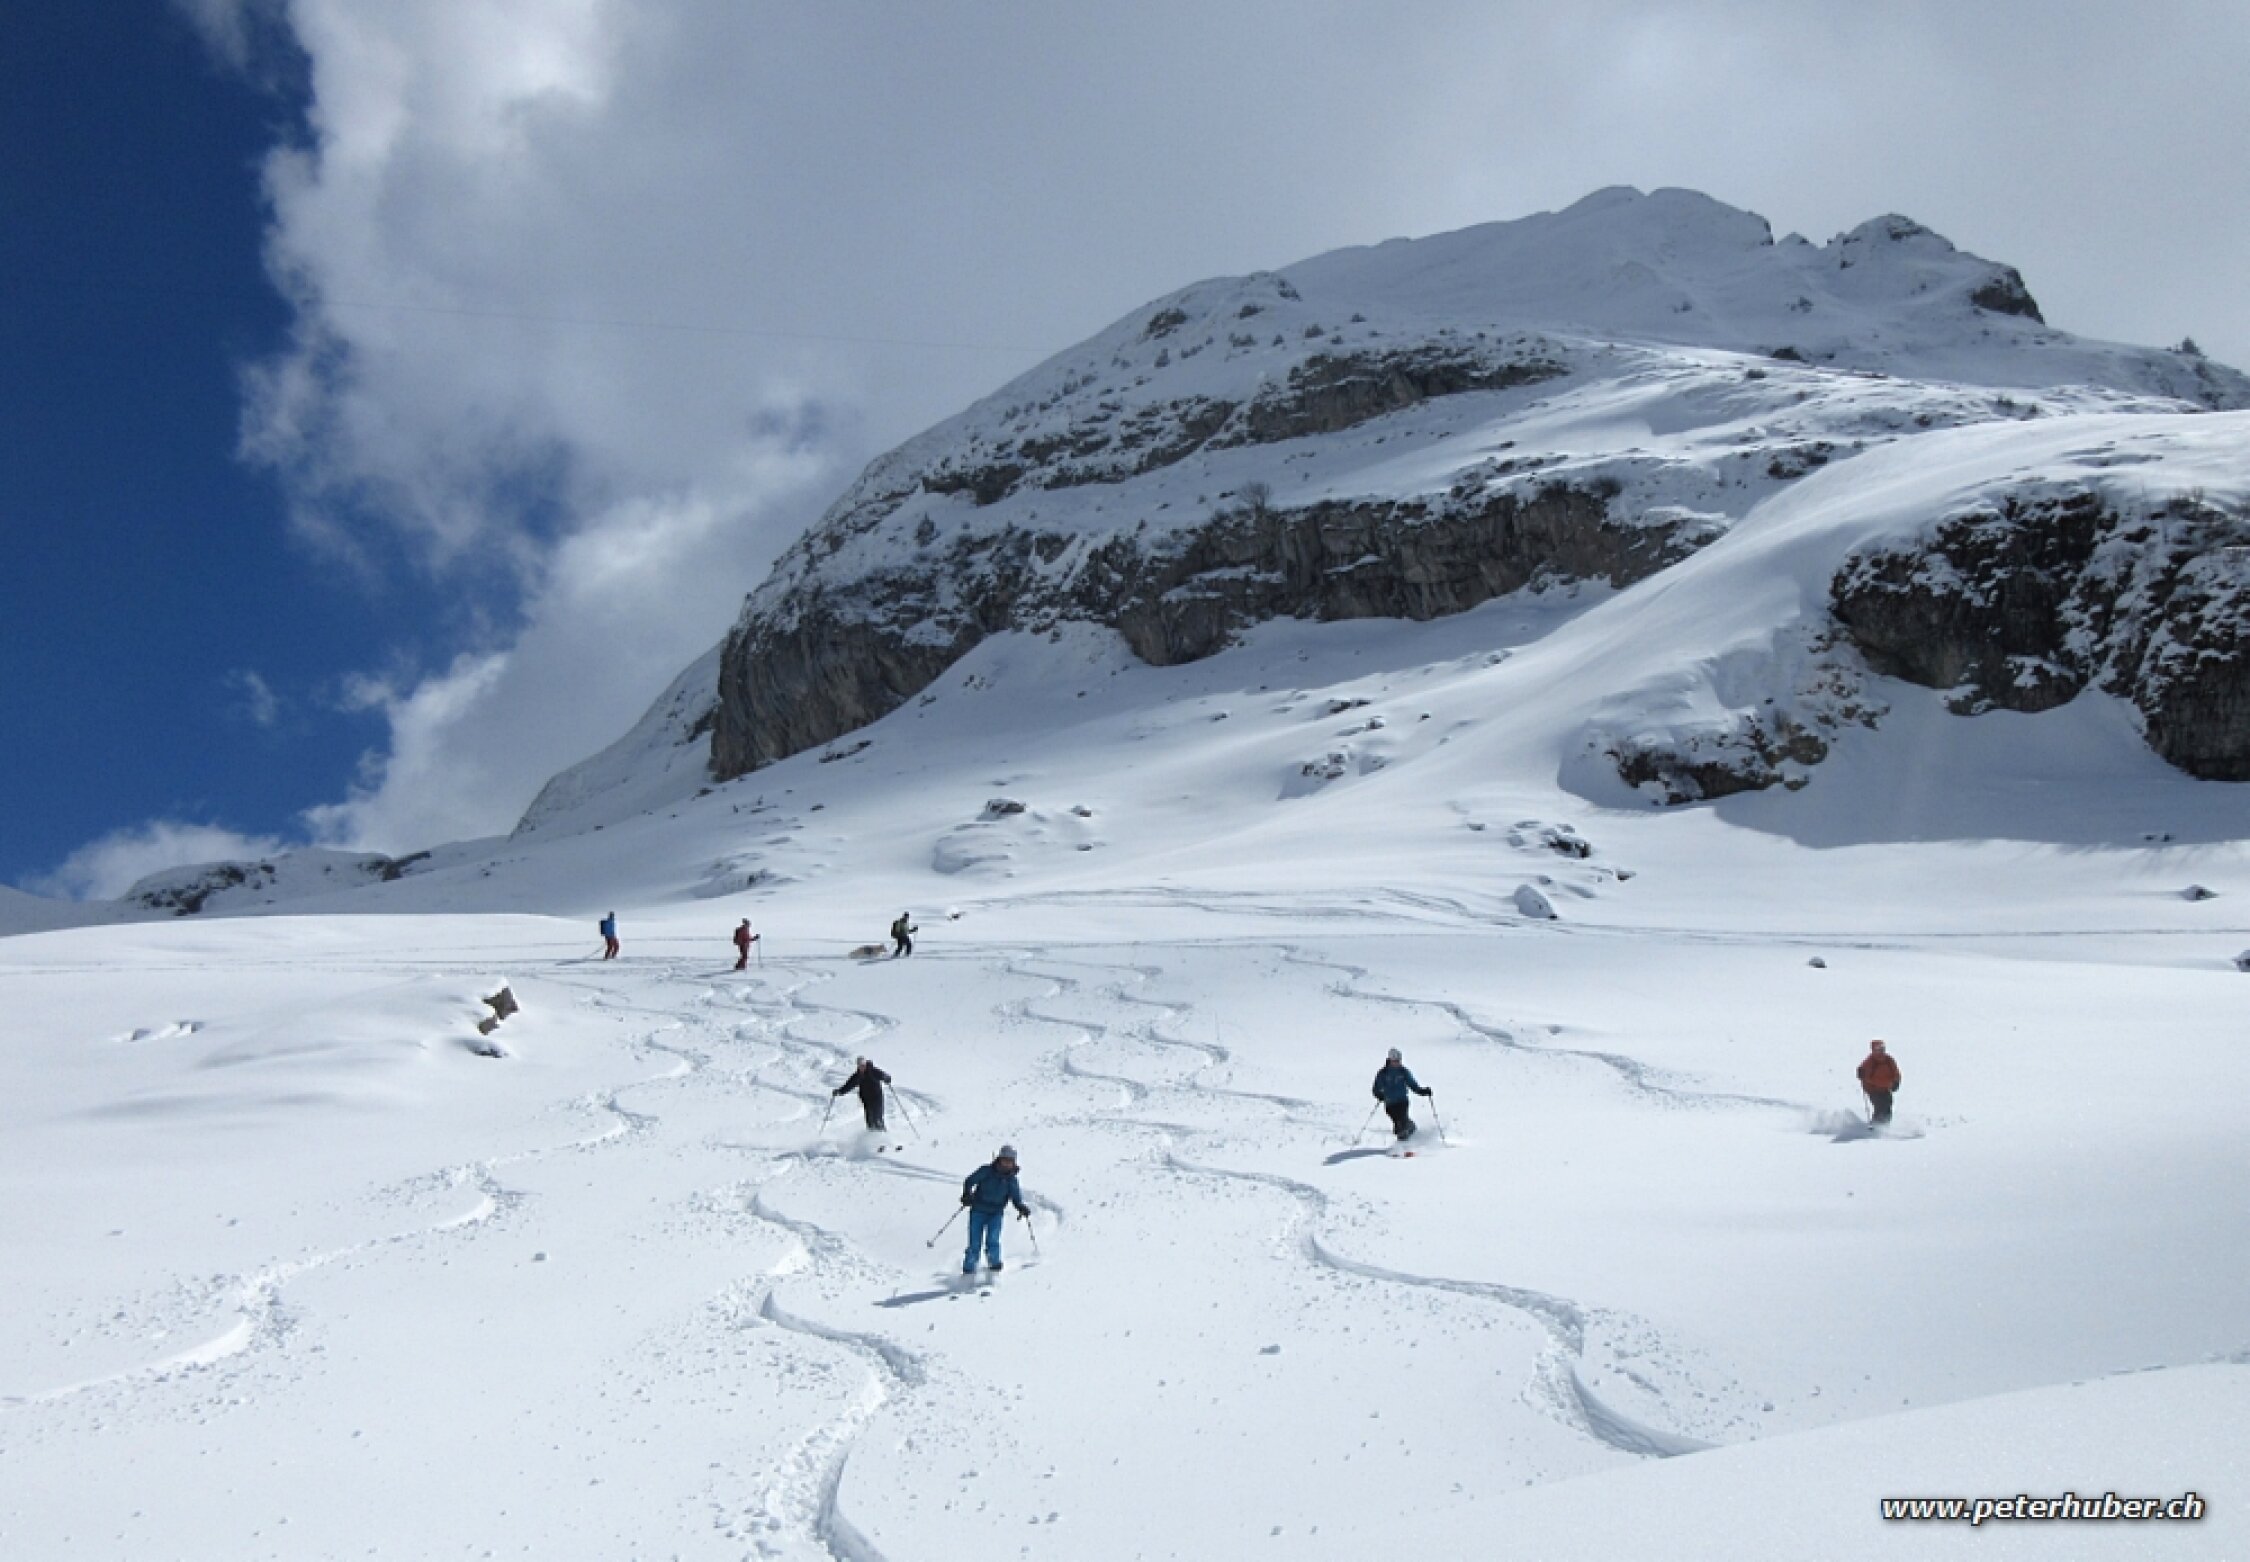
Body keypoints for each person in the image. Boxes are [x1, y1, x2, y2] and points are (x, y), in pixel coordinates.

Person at [960, 1145, 1029, 1274]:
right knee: (974, 1242)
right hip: (978, 1211)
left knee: (993, 1240)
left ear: (1014, 1163)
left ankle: (994, 1266)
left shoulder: (1011, 1180)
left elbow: (1016, 1198)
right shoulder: (986, 1171)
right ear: (999, 1159)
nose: (1006, 1164)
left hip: (996, 1214)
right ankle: (969, 1269)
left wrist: (1021, 1207)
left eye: (1010, 1161)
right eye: (1004, 1160)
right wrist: (966, 1194)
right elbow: (969, 1181)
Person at [1371, 1047, 1433, 1141]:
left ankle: (1406, 1139)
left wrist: (1422, 1091)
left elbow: (1412, 1084)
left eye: (1399, 1061)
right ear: (1390, 1060)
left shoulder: (1403, 1071)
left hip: (1402, 1101)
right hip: (1390, 1103)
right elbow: (1376, 1088)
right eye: (1395, 1061)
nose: (1397, 1063)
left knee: (1402, 1121)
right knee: (1397, 1124)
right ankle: (1406, 1131)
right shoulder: (1383, 1073)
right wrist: (1379, 1095)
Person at [833, 1056, 892, 1132]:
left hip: (877, 1098)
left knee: (877, 1118)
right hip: (867, 1100)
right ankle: (872, 1136)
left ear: (866, 1064)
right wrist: (840, 1091)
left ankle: (883, 1135)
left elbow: (883, 1075)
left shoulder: (873, 1071)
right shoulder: (857, 1076)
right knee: (870, 1121)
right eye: (860, 1066)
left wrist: (886, 1078)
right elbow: (848, 1085)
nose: (862, 1067)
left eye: (863, 1065)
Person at [1857, 1039, 1901, 1125]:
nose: (1881, 1051)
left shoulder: (1889, 1060)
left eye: (1882, 1048)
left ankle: (1885, 1125)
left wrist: (1896, 1082)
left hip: (1886, 1089)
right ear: (1873, 1050)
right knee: (1880, 1107)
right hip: (1874, 1090)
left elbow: (1896, 1072)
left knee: (1888, 1107)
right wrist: (1861, 1073)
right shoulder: (1870, 1061)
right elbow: (1865, 1075)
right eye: (1878, 1049)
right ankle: (1875, 1125)